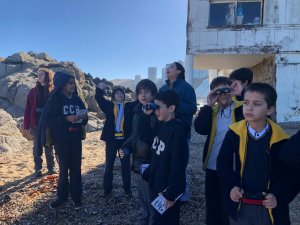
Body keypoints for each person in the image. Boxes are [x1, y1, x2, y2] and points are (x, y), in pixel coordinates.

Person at [217, 83, 298, 225]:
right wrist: (231, 187)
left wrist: (279, 196)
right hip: (240, 206)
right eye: (246, 103)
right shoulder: (233, 134)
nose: (249, 107)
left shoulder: (281, 139)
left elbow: (292, 176)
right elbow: (223, 164)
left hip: (269, 209)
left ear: (270, 109)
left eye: (257, 104)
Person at [194, 76, 244, 225]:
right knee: (213, 205)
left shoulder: (242, 107)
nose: (222, 95)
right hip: (212, 166)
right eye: (217, 92)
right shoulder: (213, 111)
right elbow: (200, 128)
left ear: (232, 90)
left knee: (228, 206)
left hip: (232, 168)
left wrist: (241, 93)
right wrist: (208, 106)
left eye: (226, 90)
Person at [143, 90, 189, 225]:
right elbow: (144, 137)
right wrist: (146, 117)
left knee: (167, 220)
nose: (156, 111)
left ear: (171, 108)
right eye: (154, 107)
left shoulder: (178, 132)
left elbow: (179, 164)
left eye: (159, 107)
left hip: (167, 189)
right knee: (157, 218)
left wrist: (171, 192)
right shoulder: (160, 124)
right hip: (156, 183)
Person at [44, 71, 88, 209]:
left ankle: (77, 197)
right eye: (70, 83)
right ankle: (61, 197)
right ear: (62, 84)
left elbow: (84, 116)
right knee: (63, 170)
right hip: (61, 140)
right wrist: (66, 119)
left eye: (73, 83)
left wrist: (84, 117)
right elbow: (48, 120)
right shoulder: (55, 99)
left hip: (76, 139)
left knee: (76, 169)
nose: (73, 85)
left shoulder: (76, 99)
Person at [122, 79, 158, 225]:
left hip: (151, 160)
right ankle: (145, 217)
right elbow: (134, 134)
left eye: (147, 91)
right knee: (142, 194)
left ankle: (154, 220)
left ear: (154, 93)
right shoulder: (137, 111)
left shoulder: (157, 111)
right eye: (140, 92)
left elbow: (152, 136)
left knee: (152, 195)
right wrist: (127, 146)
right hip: (138, 159)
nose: (143, 95)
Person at [159, 62, 197, 202]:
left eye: (171, 67)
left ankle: (182, 195)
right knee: (164, 160)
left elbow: (192, 108)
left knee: (179, 162)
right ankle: (165, 192)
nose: (167, 68)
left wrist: (173, 106)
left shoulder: (187, 88)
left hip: (181, 131)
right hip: (163, 131)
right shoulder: (162, 88)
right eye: (167, 66)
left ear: (179, 71)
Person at [95, 82, 137, 196]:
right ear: (113, 96)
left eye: (121, 93)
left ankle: (127, 190)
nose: (120, 95)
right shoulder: (109, 105)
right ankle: (107, 190)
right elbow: (99, 98)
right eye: (117, 93)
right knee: (109, 165)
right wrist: (99, 89)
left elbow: (139, 102)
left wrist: (138, 93)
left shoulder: (128, 106)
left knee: (125, 166)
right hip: (112, 142)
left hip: (124, 143)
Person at [23, 68, 56, 177]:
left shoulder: (53, 90)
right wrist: (26, 125)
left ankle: (51, 168)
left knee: (49, 145)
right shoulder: (33, 91)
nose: (39, 76)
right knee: (37, 146)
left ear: (47, 76)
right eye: (38, 75)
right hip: (36, 122)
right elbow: (28, 109)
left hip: (49, 122)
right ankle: (38, 169)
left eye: (41, 74)